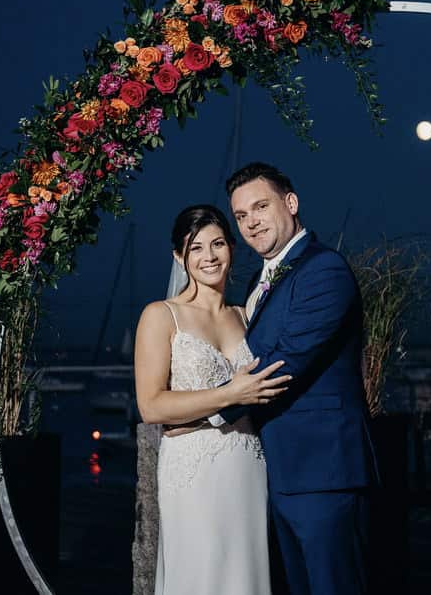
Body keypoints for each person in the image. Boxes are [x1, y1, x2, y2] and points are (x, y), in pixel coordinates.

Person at [213, 162, 379, 595]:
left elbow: (285, 363)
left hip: (323, 472)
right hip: (281, 473)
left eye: (260, 207)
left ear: (291, 202)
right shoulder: (258, 281)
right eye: (241, 216)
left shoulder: (324, 270)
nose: (251, 222)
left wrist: (207, 413)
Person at [134, 204, 291, 595]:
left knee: (245, 575)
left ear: (232, 249)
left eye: (218, 244)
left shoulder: (246, 315)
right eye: (196, 248)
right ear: (179, 257)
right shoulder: (161, 316)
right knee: (199, 574)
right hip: (192, 468)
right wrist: (229, 394)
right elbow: (151, 405)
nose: (209, 257)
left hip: (247, 463)